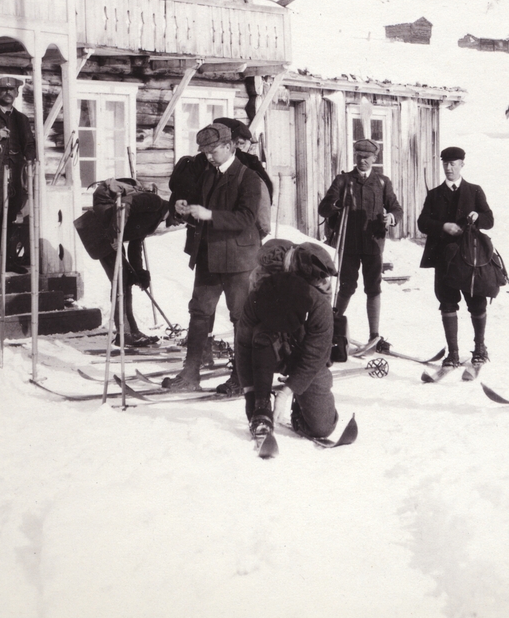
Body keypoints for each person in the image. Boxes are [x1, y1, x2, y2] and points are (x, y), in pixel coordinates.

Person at [164, 122, 264, 392]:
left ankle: (242, 377)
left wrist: (210, 215)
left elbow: (246, 218)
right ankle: (189, 374)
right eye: (204, 151)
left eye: (213, 150)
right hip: (209, 255)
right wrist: (182, 207)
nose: (208, 156)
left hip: (239, 260)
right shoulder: (208, 174)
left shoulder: (248, 177)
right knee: (199, 313)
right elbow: (195, 202)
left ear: (230, 146)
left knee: (240, 318)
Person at [236, 240, 340, 441]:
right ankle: (263, 404)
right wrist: (251, 395)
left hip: (303, 357)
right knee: (261, 336)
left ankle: (299, 410)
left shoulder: (320, 307)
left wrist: (286, 393)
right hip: (268, 353)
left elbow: (314, 357)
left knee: (322, 427)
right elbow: (243, 345)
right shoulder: (259, 296)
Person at [317, 138, 402, 347]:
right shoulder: (343, 181)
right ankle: (331, 330)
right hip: (349, 243)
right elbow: (323, 209)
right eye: (359, 157)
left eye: (367, 157)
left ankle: (375, 335)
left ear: (375, 158)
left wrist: (391, 217)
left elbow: (396, 208)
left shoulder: (382, 182)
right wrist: (337, 203)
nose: (363, 161)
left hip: (373, 243)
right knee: (346, 286)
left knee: (373, 288)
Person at [417, 146, 495, 368]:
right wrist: (443, 226)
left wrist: (477, 216)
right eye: (445, 164)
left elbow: (490, 220)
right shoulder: (434, 195)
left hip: (471, 259)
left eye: (453, 164)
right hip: (444, 259)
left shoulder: (475, 191)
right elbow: (422, 223)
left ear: (462, 164)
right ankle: (452, 353)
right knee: (447, 303)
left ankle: (480, 348)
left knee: (477, 302)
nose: (449, 168)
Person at [87, 178, 169, 347]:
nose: (181, 223)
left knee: (127, 279)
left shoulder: (156, 218)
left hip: (111, 230)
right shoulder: (155, 203)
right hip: (103, 229)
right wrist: (117, 234)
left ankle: (131, 331)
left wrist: (139, 273)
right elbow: (124, 205)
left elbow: (135, 243)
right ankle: (124, 334)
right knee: (121, 281)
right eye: (184, 219)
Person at [0, 76, 36, 276]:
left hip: (16, 176)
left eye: (11, 90)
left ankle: (7, 261)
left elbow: (29, 144)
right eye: (3, 90)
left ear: (17, 94)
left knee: (10, 219)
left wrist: (30, 159)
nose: (8, 93)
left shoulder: (21, 119)